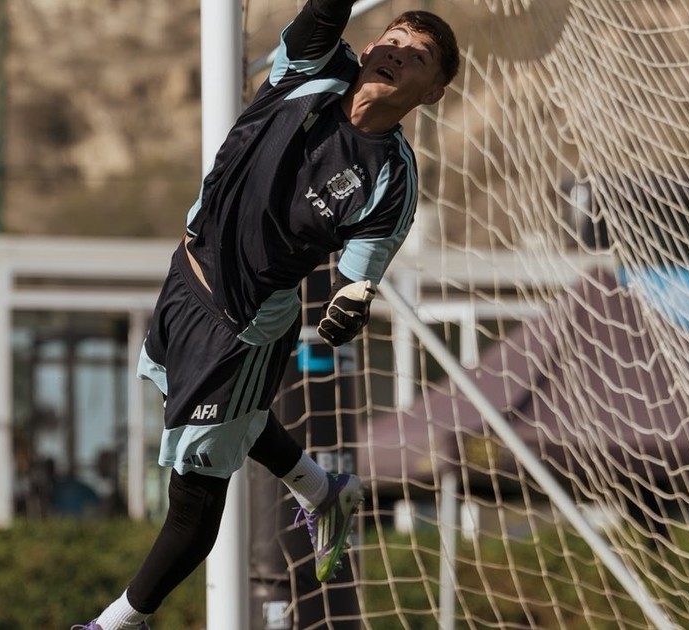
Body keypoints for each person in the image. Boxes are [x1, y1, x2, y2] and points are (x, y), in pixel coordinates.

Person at [72, 2, 460, 629]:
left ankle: (114, 624)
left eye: (418, 56)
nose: (397, 53)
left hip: (241, 328)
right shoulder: (313, 65)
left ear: (433, 93)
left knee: (194, 496)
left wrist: (349, 307)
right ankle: (321, 490)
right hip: (185, 278)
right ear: (367, 48)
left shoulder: (391, 179)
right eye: (392, 39)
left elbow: (357, 281)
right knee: (224, 420)